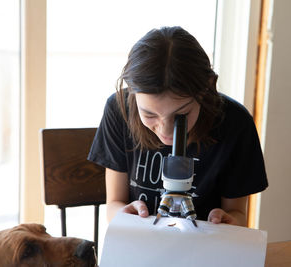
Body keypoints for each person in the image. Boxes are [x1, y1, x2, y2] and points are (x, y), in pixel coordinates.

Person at [88, 26, 268, 227]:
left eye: (181, 116)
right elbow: (113, 204)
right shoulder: (119, 110)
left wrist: (229, 223)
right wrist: (123, 215)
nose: (166, 131)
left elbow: (238, 214)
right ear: (132, 92)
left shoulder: (235, 124)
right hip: (142, 245)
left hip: (204, 250)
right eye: (149, 114)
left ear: (206, 89)